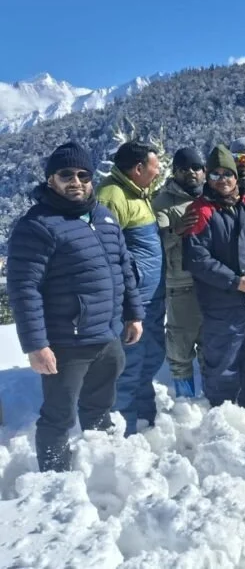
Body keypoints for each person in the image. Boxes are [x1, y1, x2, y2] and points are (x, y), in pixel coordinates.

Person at [7, 142, 144, 471]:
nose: (76, 181)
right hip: (67, 343)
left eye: (83, 175)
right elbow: (24, 289)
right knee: (59, 416)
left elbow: (123, 268)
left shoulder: (104, 216)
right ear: (51, 179)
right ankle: (54, 480)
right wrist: (36, 345)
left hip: (108, 336)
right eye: (66, 174)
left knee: (100, 407)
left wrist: (133, 314)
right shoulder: (37, 226)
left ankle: (102, 466)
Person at [182, 146, 245, 407]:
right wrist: (235, 282)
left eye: (227, 174)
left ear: (236, 177)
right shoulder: (201, 211)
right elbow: (197, 258)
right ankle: (222, 411)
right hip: (222, 301)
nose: (222, 179)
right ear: (208, 178)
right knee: (223, 360)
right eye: (215, 174)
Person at [96, 141, 164, 435]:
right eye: (155, 167)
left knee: (149, 361)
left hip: (151, 300)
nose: (158, 172)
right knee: (128, 368)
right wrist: (127, 303)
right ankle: (125, 429)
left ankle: (145, 419)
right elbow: (106, 255)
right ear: (138, 168)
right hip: (133, 303)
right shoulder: (113, 196)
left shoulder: (138, 193)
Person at [151, 147, 205, 397]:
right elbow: (154, 244)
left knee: (211, 345)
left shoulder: (212, 197)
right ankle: (186, 401)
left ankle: (212, 398)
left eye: (196, 167)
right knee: (180, 347)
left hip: (211, 282)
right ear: (175, 172)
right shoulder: (162, 202)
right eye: (184, 169)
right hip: (181, 283)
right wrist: (176, 231)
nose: (191, 173)